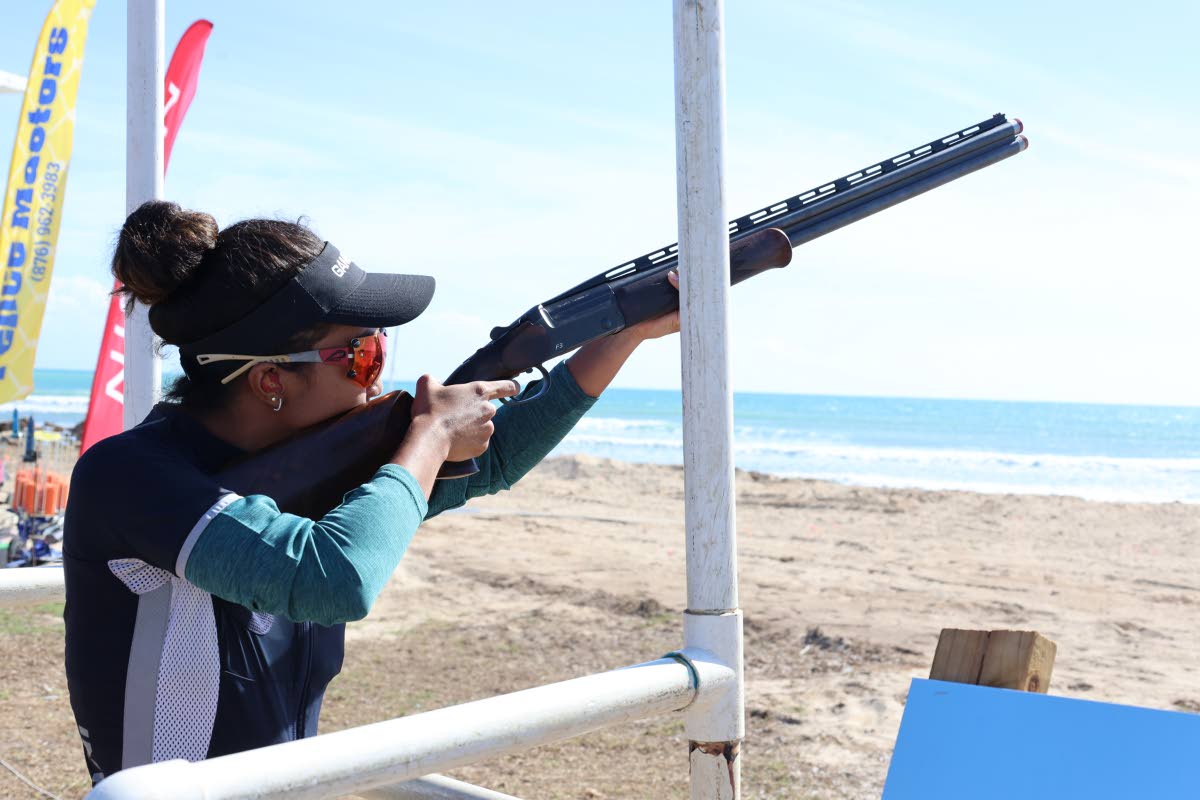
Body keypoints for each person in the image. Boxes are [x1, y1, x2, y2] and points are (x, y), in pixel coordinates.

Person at [63, 201, 680, 784]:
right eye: (360, 356)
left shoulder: (309, 458)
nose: (378, 374)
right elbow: (333, 579)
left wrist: (619, 334)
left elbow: (493, 460)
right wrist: (431, 432)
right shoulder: (131, 478)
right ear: (271, 379)